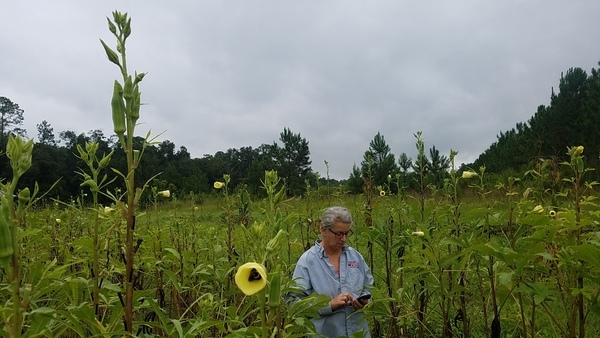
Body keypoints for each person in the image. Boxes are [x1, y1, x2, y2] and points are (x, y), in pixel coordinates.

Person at [291, 206, 374, 337]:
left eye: (347, 233)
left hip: (358, 332)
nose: (344, 239)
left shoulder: (356, 257)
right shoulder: (307, 261)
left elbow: (370, 288)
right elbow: (294, 304)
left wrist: (365, 301)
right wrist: (329, 305)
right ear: (324, 230)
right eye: (339, 234)